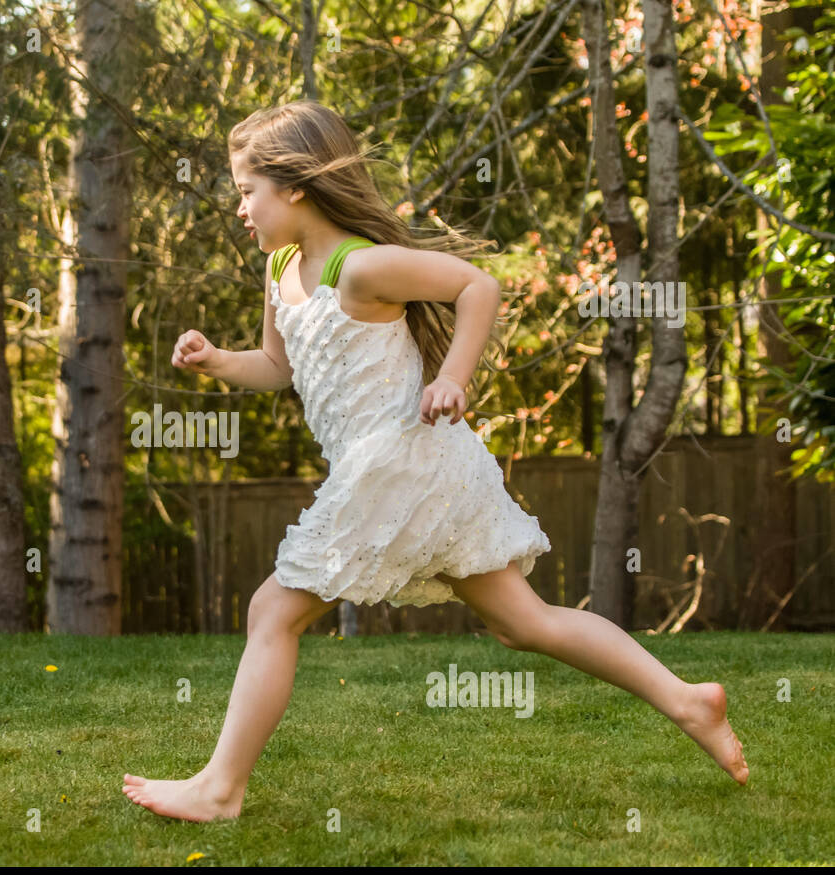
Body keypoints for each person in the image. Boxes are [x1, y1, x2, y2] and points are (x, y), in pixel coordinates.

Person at [122, 101, 747, 822]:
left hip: (401, 467)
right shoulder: (282, 268)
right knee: (525, 624)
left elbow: (476, 286)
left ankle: (220, 789)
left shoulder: (365, 267)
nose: (239, 209)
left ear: (294, 186)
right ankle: (687, 700)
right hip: (414, 475)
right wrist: (217, 362)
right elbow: (275, 364)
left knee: (272, 610)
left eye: (245, 190)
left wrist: (453, 376)